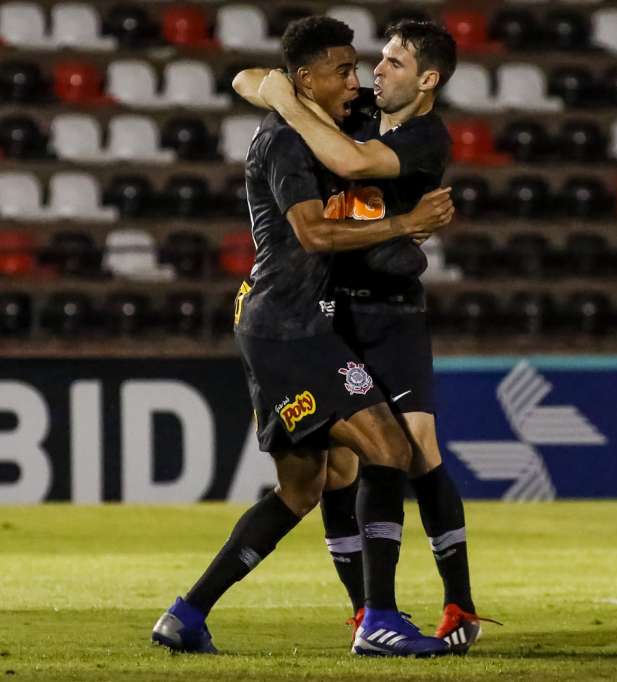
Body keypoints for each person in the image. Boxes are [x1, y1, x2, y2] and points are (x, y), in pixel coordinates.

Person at [150, 16, 454, 658]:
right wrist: (403, 224)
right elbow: (314, 234)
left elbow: (251, 79)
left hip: (276, 322)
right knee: (389, 449)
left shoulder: (309, 121)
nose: (357, 81)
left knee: (302, 489)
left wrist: (273, 88)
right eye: (344, 70)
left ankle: (186, 614)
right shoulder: (287, 141)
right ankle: (379, 620)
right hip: (291, 326)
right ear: (307, 79)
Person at [234, 18, 491, 655]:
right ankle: (368, 612)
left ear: (428, 80)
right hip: (330, 307)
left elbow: (349, 163)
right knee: (343, 464)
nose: (375, 71)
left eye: (394, 63)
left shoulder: (426, 138)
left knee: (418, 450)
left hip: (392, 310)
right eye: (377, 60)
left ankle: (457, 602)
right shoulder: (358, 109)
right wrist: (280, 90)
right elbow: (243, 78)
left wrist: (285, 98)